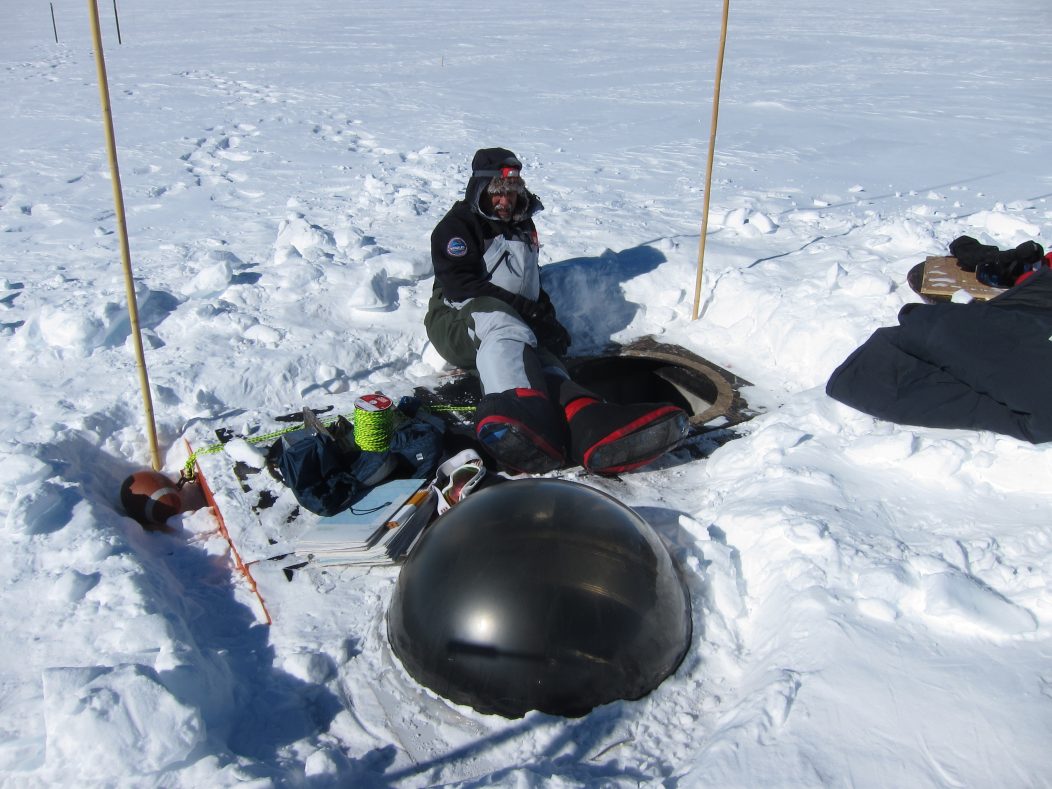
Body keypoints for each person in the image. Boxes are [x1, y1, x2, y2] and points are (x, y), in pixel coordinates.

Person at [425, 147, 688, 475]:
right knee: (500, 318)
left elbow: (528, 281)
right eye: (497, 193)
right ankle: (519, 408)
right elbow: (460, 286)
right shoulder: (457, 228)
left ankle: (588, 423)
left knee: (543, 360)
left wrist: (544, 314)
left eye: (511, 192)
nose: (505, 200)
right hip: (456, 322)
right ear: (479, 189)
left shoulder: (522, 224)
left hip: (507, 324)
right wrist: (522, 309)